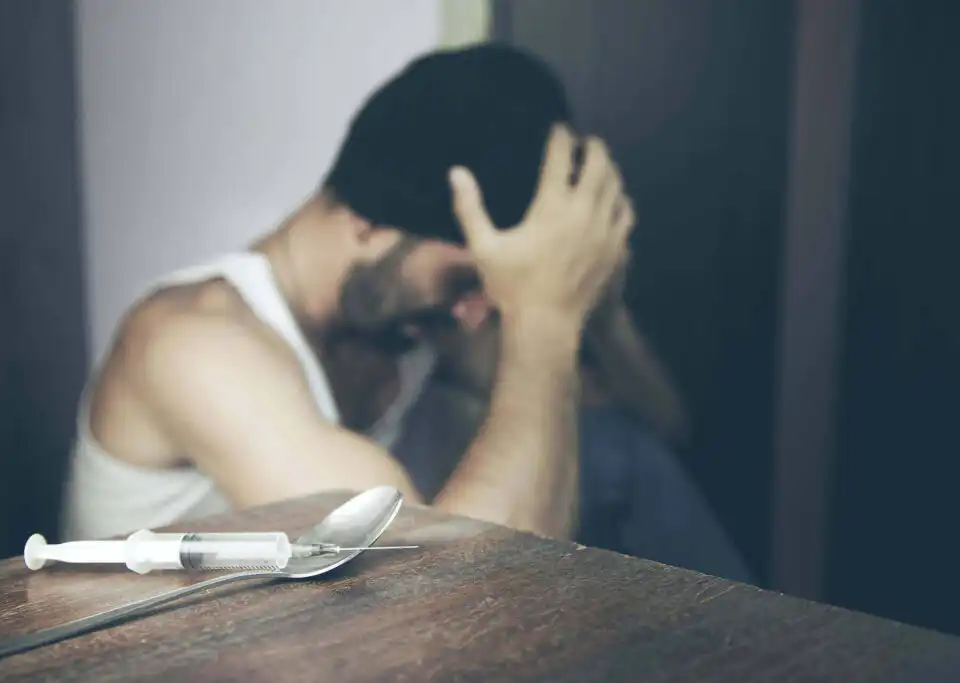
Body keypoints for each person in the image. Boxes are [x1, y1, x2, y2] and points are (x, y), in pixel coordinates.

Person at [62, 44, 752, 582]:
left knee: (609, 448)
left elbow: (659, 429)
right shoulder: (193, 343)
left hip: (314, 635)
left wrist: (589, 297)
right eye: (464, 278)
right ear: (367, 221)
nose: (479, 312)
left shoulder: (413, 318)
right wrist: (543, 317)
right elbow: (449, 594)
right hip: (171, 654)